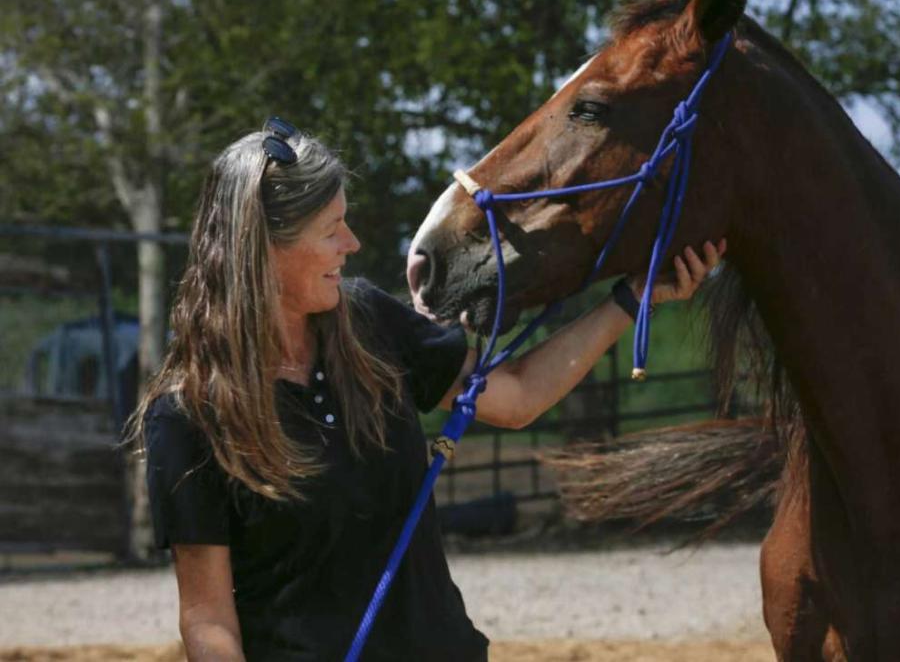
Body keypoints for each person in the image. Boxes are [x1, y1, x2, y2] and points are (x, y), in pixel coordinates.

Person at [126, 118, 726, 661]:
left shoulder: (367, 323)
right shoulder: (187, 414)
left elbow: (516, 396)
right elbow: (207, 619)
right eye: (332, 229)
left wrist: (632, 298)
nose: (352, 245)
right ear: (261, 251)